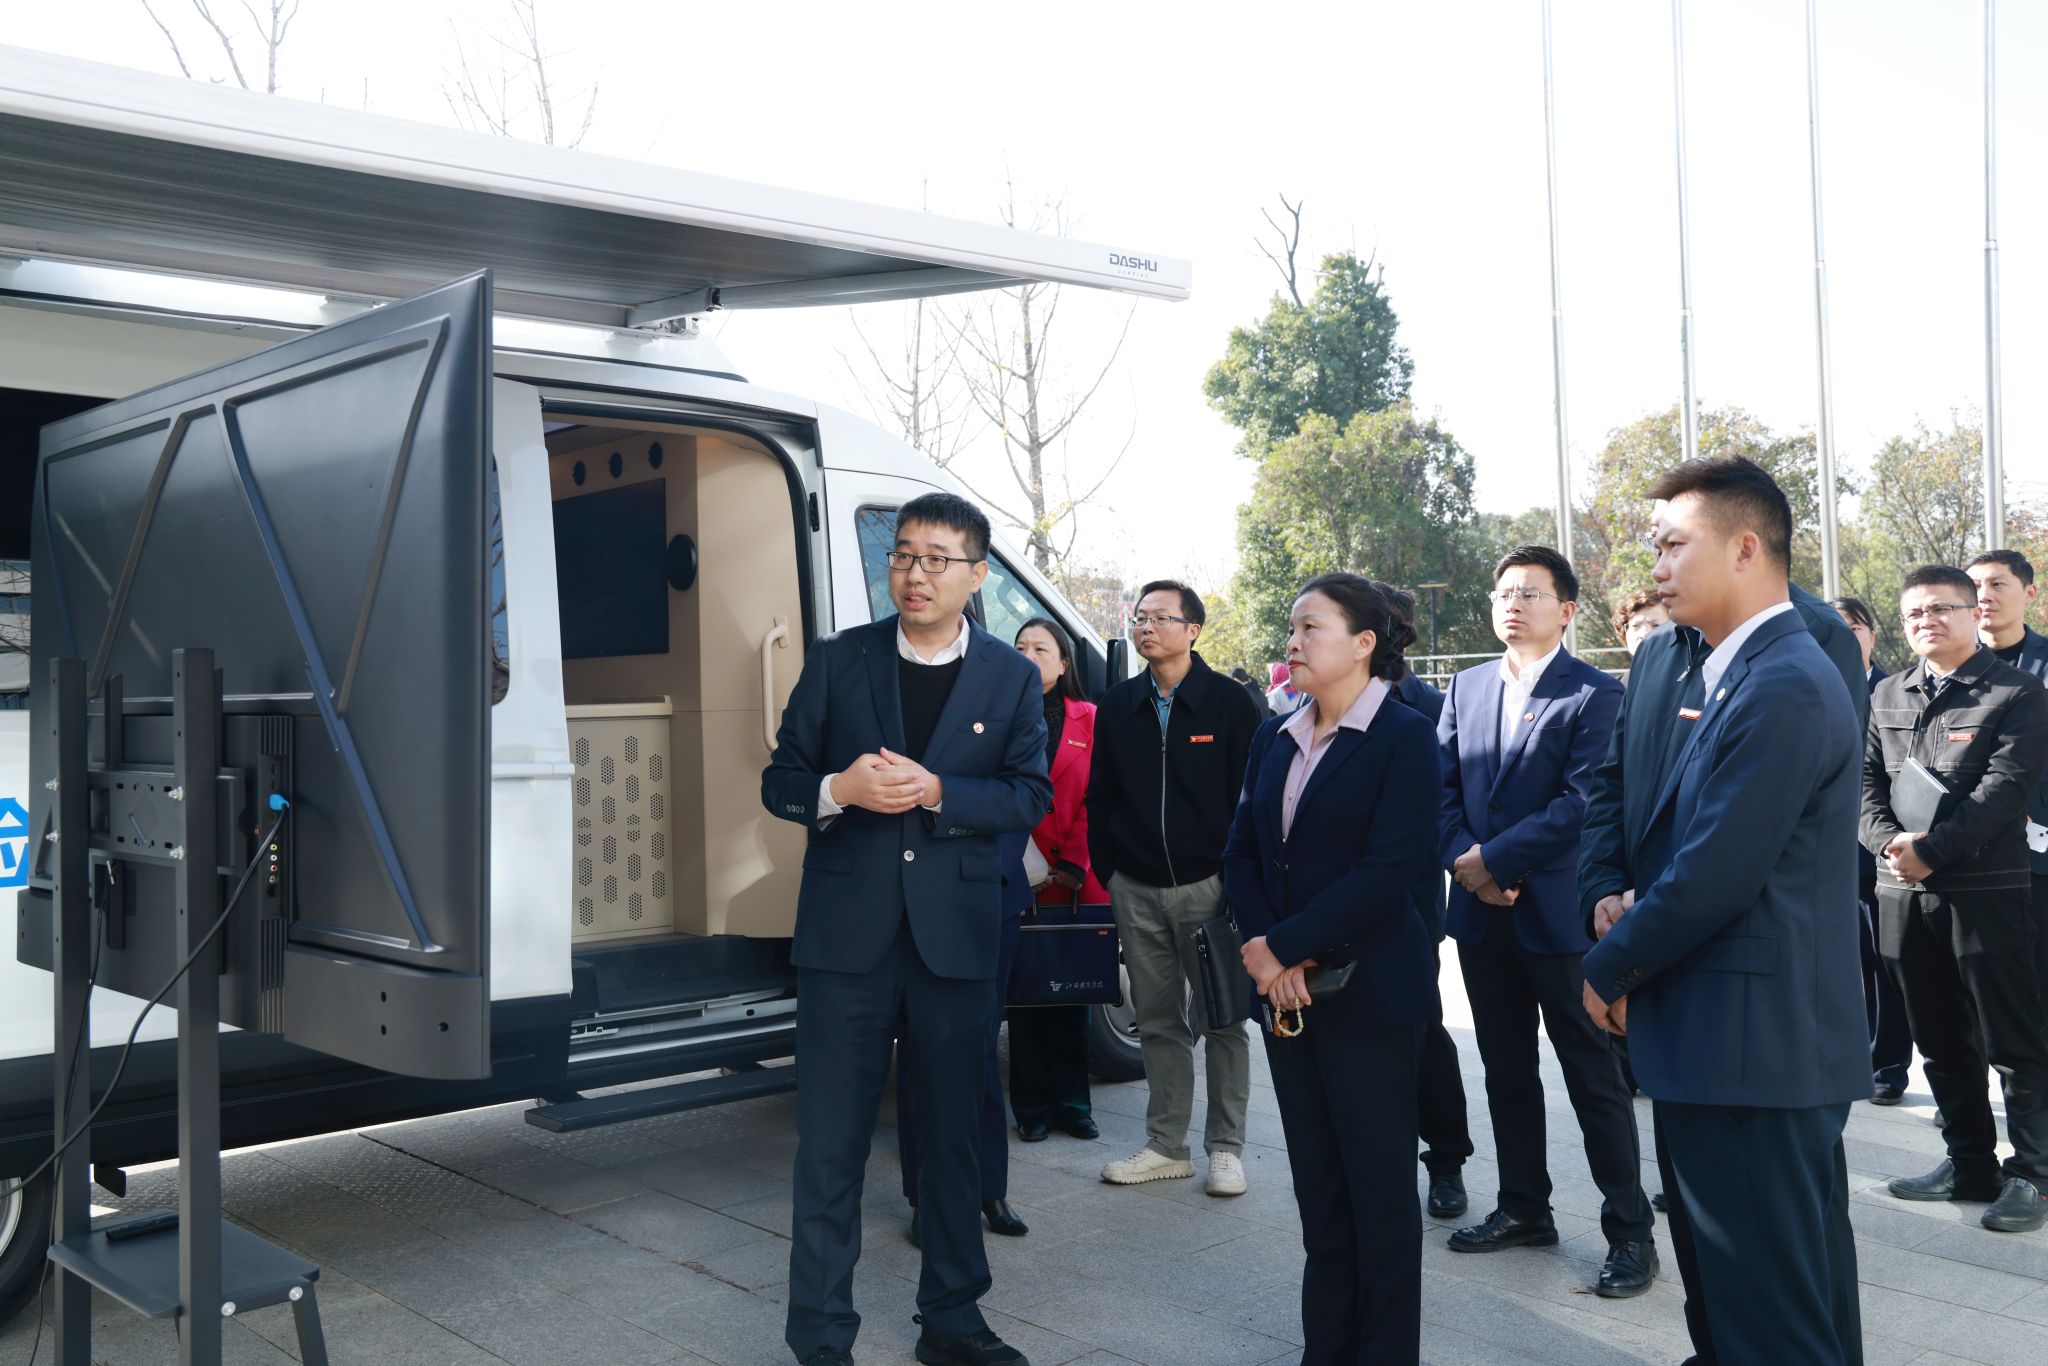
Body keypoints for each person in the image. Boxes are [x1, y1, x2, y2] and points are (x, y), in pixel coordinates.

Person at [1580, 457, 1867, 1364]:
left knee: (1768, 1322)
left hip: (1751, 1047)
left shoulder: (1783, 681)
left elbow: (1715, 873)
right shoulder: (1735, 672)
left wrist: (1609, 968)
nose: (1657, 567)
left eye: (1674, 545)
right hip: (1727, 1040)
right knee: (1748, 1310)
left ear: (1746, 549)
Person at [761, 492, 1052, 1366]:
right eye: (903, 556)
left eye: (936, 559)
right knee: (831, 1144)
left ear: (976, 574)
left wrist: (939, 793)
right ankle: (820, 1336)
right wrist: (838, 791)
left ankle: (954, 1321)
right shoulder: (838, 659)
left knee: (952, 1138)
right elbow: (781, 780)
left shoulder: (1009, 676)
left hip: (954, 936)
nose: (915, 574)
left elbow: (1028, 795)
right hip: (845, 941)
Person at [1223, 573, 1441, 1364]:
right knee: (1320, 1193)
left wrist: (1288, 946)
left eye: (1310, 627)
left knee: (1379, 1198)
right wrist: (1266, 946)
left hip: (1371, 994)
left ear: (1363, 643)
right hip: (1289, 1000)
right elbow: (1242, 853)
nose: (1293, 641)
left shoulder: (1405, 735)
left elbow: (1392, 868)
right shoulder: (1275, 734)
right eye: (1291, 628)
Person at [1436, 546, 1652, 1296]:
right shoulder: (1464, 687)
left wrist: (1496, 860)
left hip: (1557, 916)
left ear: (1566, 610)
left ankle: (1630, 1231)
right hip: (1481, 914)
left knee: (1593, 1076)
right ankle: (1524, 1206)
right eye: (1503, 592)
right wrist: (1466, 861)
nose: (1513, 604)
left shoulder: (1594, 693)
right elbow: (1440, 790)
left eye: (1530, 593)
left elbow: (1583, 801)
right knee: (1504, 1071)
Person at [1865, 564, 2048, 1234]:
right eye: (1915, 613)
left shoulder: (2016, 692)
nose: (1928, 621)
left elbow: (2005, 790)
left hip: (1985, 891)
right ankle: (1970, 1162)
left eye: (1942, 608)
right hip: (1900, 891)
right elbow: (1862, 784)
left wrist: (1933, 851)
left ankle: (2033, 1173)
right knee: (1938, 1038)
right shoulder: (1888, 693)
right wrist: (1889, 844)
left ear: (1973, 614)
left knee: (2013, 1038)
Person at [1087, 580, 1266, 1194]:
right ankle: (1167, 1145)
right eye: (1140, 617)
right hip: (1135, 887)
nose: (1146, 626)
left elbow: (1251, 801)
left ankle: (1226, 1149)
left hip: (1208, 887)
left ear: (1193, 630)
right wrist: (1110, 871)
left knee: (1223, 1020)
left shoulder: (1229, 703)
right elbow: (1101, 796)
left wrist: (1237, 883)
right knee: (1158, 1021)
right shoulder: (1119, 704)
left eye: (1161, 617)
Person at [1374, 581, 1474, 1221]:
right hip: (1334, 907)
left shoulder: (1433, 709)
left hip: (1409, 905)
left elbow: (1446, 807)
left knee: (1423, 1032)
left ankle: (1446, 1161)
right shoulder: (1312, 708)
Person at [896, 825, 1032, 1246]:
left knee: (981, 1047)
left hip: (993, 893)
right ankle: (925, 1198)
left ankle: (990, 1189)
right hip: (918, 898)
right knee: (920, 1049)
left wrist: (986, 869)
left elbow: (1019, 801)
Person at [1007, 617, 1104, 1144]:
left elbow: (1100, 796)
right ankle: (1032, 1106)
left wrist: (1073, 861)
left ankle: (1074, 1104)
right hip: (1018, 875)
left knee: (1073, 994)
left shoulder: (1091, 718)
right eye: (1019, 647)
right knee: (1024, 997)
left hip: (1073, 879)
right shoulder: (995, 715)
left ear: (1064, 663)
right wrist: (1025, 864)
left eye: (1040, 649)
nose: (1027, 656)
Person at [1832, 594, 1913, 1106]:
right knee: (1840, 962)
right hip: (1822, 851)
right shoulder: (1809, 685)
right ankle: (1849, 1057)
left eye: (1852, 628)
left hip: (1876, 848)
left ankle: (1887, 1065)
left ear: (1872, 635)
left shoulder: (1892, 691)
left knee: (1883, 961)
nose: (1842, 639)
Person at [1966, 548, 2048, 998]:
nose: (1984, 595)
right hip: (1967, 851)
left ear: (2029, 593)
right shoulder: (1946, 665)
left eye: (1997, 584)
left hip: (2040, 849)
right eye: (1975, 586)